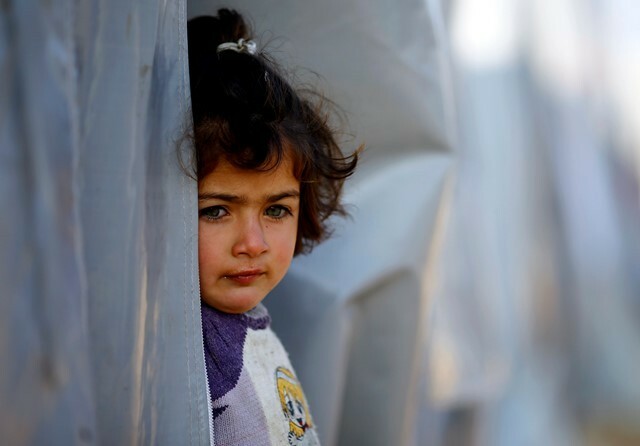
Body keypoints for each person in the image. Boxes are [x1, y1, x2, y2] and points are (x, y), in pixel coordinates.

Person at [187, 9, 359, 445]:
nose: (253, 243)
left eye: (277, 210)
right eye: (215, 211)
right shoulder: (197, 349)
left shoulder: (246, 325)